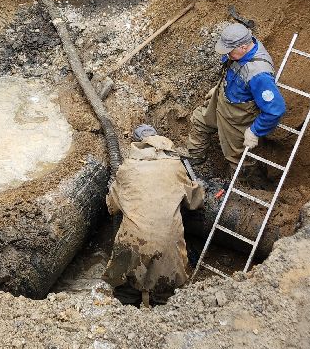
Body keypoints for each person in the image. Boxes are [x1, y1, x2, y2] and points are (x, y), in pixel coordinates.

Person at [104, 125, 204, 305]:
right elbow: (194, 203)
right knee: (164, 296)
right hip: (167, 245)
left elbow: (112, 207)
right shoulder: (175, 165)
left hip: (132, 243)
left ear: (137, 144)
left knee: (125, 294)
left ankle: (125, 318)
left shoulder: (127, 168)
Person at [187, 22, 286, 172]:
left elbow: (275, 109)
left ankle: (246, 186)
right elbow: (234, 70)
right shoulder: (240, 51)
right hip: (222, 100)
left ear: (243, 47)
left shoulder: (259, 74)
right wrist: (219, 88)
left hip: (237, 117)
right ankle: (195, 159)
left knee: (237, 158)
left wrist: (254, 131)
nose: (227, 55)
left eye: (229, 51)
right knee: (200, 121)